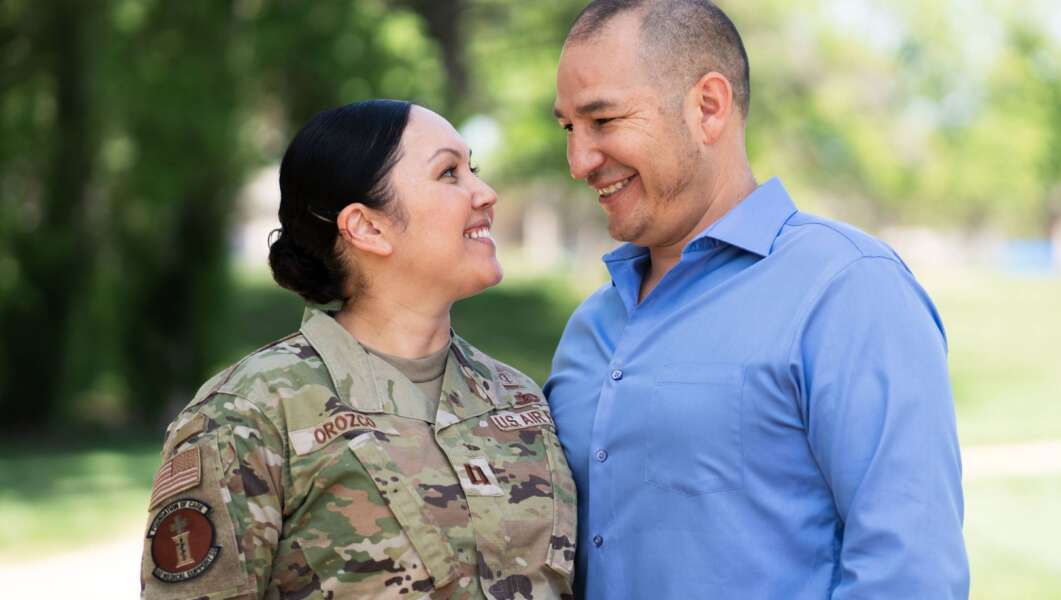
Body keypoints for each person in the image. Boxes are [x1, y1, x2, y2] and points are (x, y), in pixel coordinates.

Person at [544, 1, 968, 598]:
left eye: (604, 121)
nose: (579, 161)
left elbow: (908, 574)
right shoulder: (590, 327)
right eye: (569, 128)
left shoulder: (848, 290)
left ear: (708, 108)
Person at [139, 100, 577, 599]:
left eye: (471, 168)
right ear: (367, 227)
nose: (486, 192)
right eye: (449, 173)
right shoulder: (251, 412)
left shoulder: (519, 401)